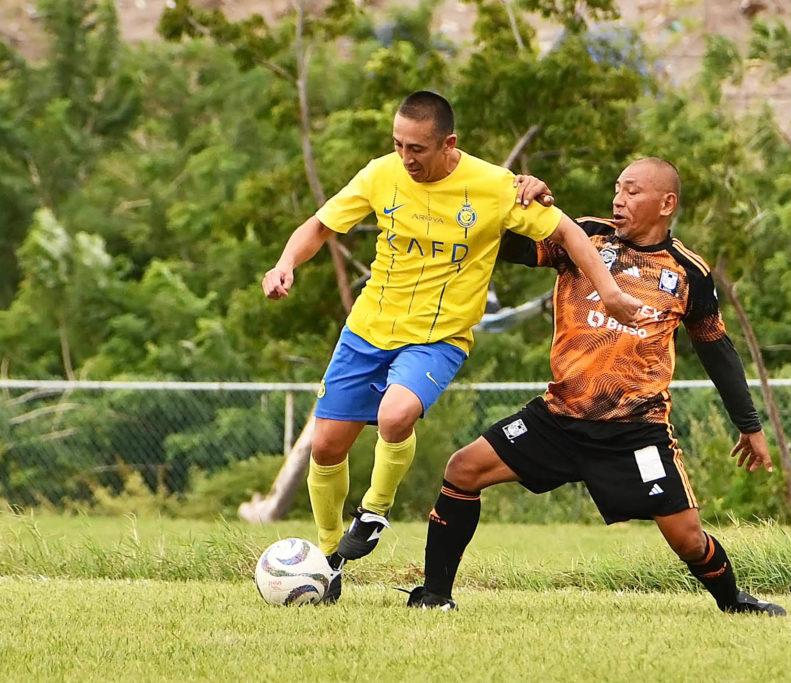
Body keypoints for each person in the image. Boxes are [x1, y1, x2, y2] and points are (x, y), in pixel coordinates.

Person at [261, 91, 643, 601]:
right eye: (398, 145)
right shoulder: (381, 174)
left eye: (417, 148)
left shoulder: (494, 186)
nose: (406, 157)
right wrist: (286, 263)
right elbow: (320, 225)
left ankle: (374, 510)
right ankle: (329, 559)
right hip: (367, 330)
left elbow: (570, 234)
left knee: (396, 414)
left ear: (448, 143)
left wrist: (610, 292)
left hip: (438, 338)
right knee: (327, 446)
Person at [405, 157, 786, 616]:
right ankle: (435, 595)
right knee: (463, 469)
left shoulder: (689, 272)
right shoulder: (583, 236)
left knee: (687, 537)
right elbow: (505, 244)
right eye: (617, 188)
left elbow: (716, 350)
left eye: (632, 191)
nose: (618, 199)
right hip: (559, 418)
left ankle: (734, 602)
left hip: (635, 430)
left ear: (666, 204)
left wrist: (749, 425)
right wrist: (514, 201)